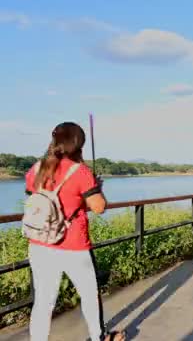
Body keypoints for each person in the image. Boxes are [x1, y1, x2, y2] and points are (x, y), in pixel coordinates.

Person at [24, 122, 125, 341]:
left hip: (40, 245)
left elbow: (37, 201)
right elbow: (98, 207)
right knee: (89, 295)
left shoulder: (36, 168)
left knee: (43, 301)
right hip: (74, 246)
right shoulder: (80, 172)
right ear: (79, 144)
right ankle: (99, 338)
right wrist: (96, 188)